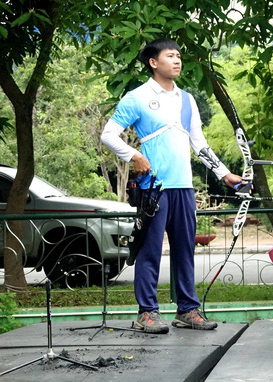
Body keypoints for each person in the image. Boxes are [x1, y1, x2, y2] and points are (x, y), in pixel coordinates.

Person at [101, 39, 244, 334]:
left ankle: (187, 310)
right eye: (170, 56)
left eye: (179, 56)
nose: (177, 61)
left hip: (183, 187)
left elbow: (198, 143)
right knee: (150, 250)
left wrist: (225, 173)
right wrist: (135, 156)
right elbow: (108, 134)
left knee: (184, 250)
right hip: (153, 187)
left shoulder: (187, 99)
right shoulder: (137, 97)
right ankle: (147, 313)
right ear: (154, 63)